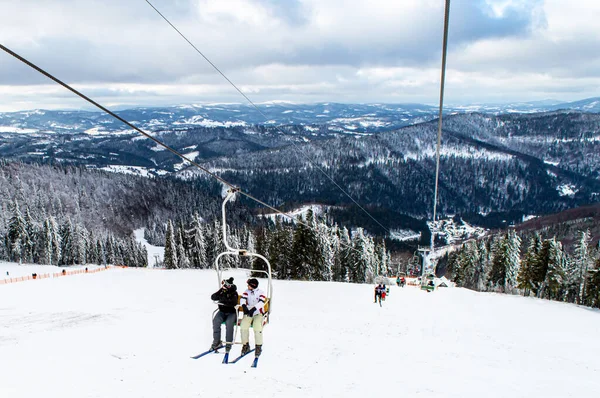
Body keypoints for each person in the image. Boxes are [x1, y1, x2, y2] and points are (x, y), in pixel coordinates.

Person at [210, 277, 238, 353]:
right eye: (225, 285)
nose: (226, 287)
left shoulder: (234, 292)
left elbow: (233, 302)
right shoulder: (222, 291)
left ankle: (228, 344)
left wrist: (223, 300)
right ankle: (216, 342)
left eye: (228, 285)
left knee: (229, 324)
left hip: (231, 312)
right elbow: (213, 297)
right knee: (216, 321)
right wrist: (220, 292)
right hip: (222, 311)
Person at [240, 278, 267, 357]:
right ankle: (245, 345)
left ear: (253, 286)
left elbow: (261, 302)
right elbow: (242, 299)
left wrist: (254, 309)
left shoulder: (260, 292)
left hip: (258, 313)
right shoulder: (246, 291)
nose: (247, 286)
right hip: (248, 313)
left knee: (257, 326)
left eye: (249, 285)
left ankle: (258, 346)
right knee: (243, 326)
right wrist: (244, 306)